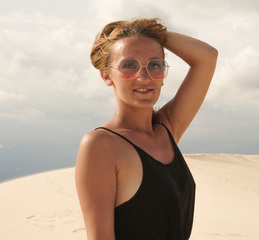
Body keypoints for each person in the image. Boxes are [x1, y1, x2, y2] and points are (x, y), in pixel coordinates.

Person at [75, 18, 218, 240]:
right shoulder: (100, 145)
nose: (144, 77)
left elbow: (207, 57)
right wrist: (147, 34)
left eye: (155, 65)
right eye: (129, 65)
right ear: (106, 75)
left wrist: (150, 33)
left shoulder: (166, 128)